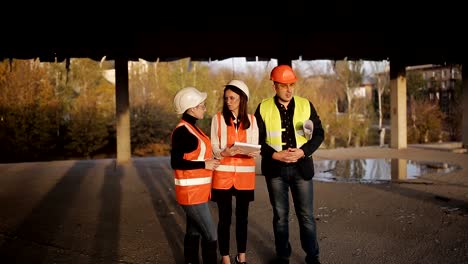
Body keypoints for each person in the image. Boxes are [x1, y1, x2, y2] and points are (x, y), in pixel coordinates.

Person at [254, 65, 324, 264]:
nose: (289, 89)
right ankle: (283, 256)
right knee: (280, 217)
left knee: (307, 217)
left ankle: (312, 256)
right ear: (275, 86)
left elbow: (319, 134)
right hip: (275, 170)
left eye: (292, 84)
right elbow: (256, 139)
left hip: (301, 168)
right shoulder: (263, 107)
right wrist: (275, 155)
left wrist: (303, 151)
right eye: (284, 85)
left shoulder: (305, 105)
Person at [210, 80, 260, 264]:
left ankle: (241, 256)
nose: (228, 101)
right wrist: (223, 152)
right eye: (226, 98)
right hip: (222, 176)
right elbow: (213, 145)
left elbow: (256, 146)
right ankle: (224, 257)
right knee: (224, 219)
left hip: (245, 178)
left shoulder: (253, 120)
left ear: (242, 99)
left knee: (242, 219)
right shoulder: (217, 119)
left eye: (233, 98)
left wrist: (255, 152)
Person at [171, 86, 221, 264]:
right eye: (202, 105)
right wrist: (204, 164)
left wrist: (212, 158)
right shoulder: (183, 131)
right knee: (210, 235)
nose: (205, 108)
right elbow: (175, 162)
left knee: (193, 231)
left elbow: (197, 155)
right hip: (191, 194)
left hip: (197, 192)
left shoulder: (192, 128)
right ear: (191, 108)